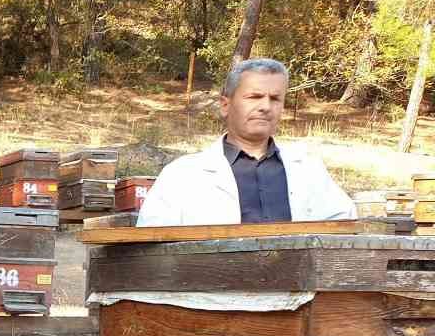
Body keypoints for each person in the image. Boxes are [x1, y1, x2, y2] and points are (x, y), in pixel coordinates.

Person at [137, 58, 356, 226]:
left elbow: (345, 228)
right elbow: (152, 248)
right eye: (254, 97)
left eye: (275, 99)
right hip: (209, 284)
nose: (265, 107)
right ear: (225, 105)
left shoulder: (309, 169)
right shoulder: (182, 175)